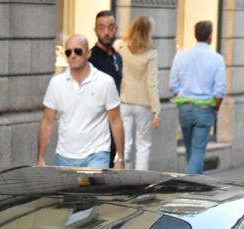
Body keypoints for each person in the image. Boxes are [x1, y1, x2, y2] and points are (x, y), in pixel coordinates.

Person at [37, 35, 124, 169]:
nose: (73, 55)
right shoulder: (56, 83)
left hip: (97, 153)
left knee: (93, 190)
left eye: (78, 51)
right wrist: (40, 158)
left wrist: (120, 158)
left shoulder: (105, 82)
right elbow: (48, 121)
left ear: (88, 53)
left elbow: (116, 120)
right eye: (68, 52)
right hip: (65, 156)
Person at [170, 21, 227, 175]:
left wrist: (180, 102)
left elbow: (173, 85)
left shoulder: (180, 56)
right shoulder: (217, 59)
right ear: (210, 36)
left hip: (185, 107)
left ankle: (197, 185)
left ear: (195, 35)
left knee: (191, 151)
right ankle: (187, 183)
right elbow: (220, 90)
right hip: (204, 107)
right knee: (198, 151)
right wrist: (215, 108)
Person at [118, 15, 160, 171]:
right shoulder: (151, 53)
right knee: (143, 144)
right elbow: (152, 83)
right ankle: (141, 179)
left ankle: (124, 176)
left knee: (124, 143)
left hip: (124, 100)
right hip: (143, 103)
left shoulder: (120, 46)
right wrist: (156, 110)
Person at [90, 10, 123, 166]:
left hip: (112, 124)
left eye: (110, 27)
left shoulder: (117, 57)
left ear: (116, 29)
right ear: (95, 30)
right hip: (94, 127)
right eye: (102, 28)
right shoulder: (90, 59)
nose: (106, 32)